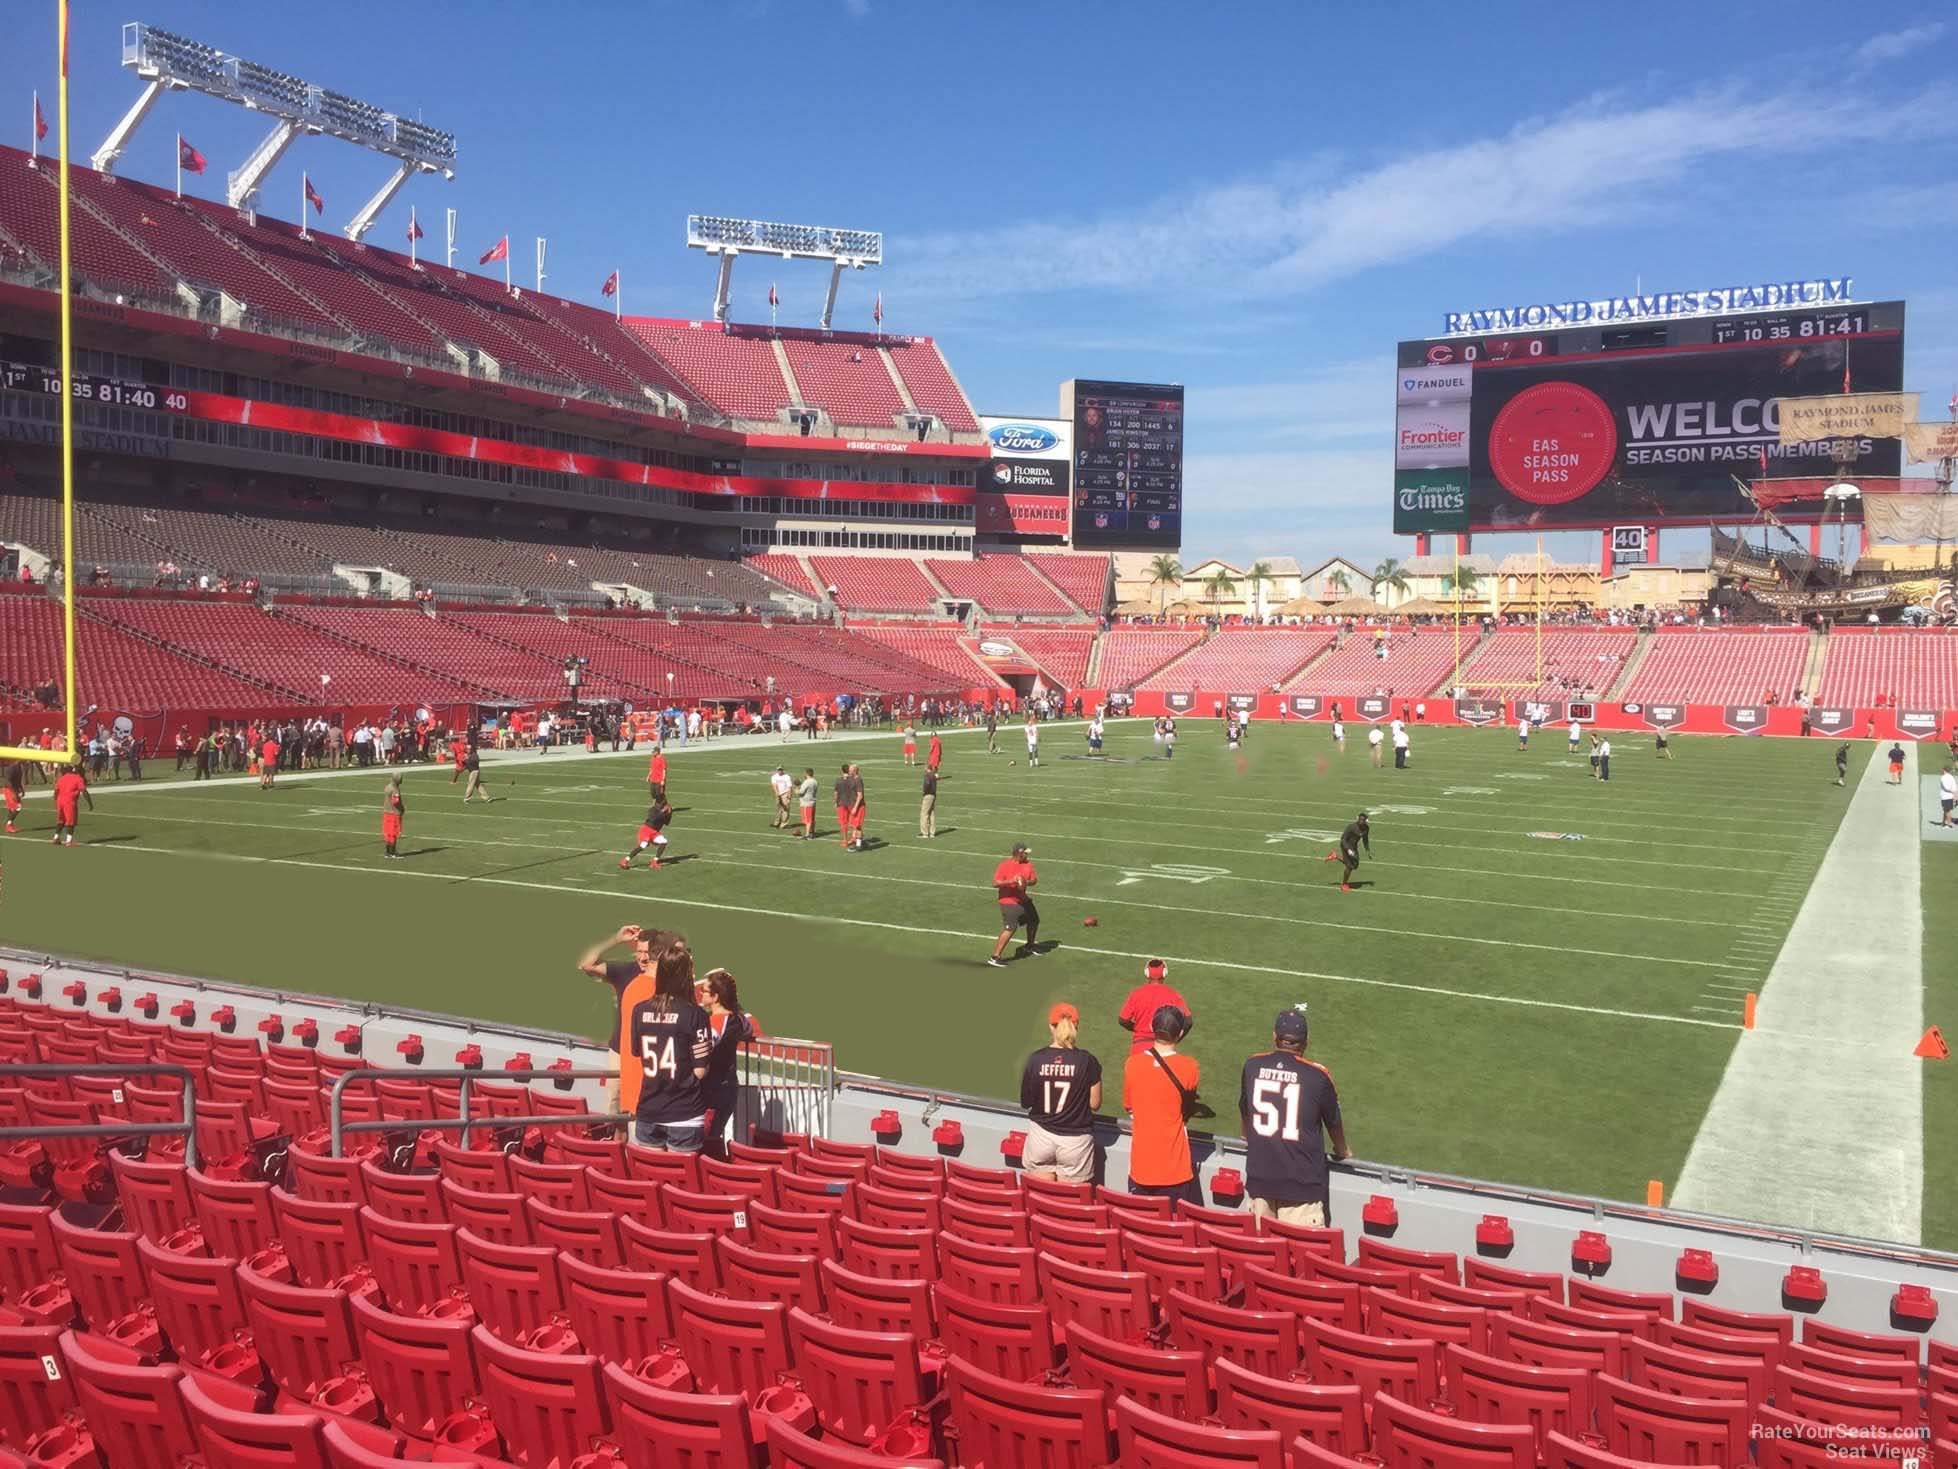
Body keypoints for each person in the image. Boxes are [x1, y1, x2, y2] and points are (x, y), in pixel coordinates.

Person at [1239, 1007, 1351, 1226]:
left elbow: (1245, 1108)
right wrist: (1342, 1149)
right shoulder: (1317, 1076)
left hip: (1259, 1180)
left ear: (1274, 1037)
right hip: (1302, 1186)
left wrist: (1245, 1135)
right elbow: (1333, 1121)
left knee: (1260, 1254)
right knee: (1302, 1257)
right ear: (1305, 1041)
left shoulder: (1253, 1065)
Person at [618, 938, 711, 1151]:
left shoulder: (640, 1010)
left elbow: (636, 1052)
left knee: (653, 1178)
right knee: (679, 1181)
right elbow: (700, 1071)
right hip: (684, 1112)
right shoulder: (695, 1014)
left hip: (649, 1108)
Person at [1122, 1005, 1201, 1206]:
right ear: (1181, 1033)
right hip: (1175, 1169)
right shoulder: (1189, 1067)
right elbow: (1187, 1107)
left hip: (1141, 1166)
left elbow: (1129, 1107)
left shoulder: (1133, 1063)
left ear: (1151, 1027)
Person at [1020, 1002, 1102, 1183]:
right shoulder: (1087, 1061)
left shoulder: (1036, 1059)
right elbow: (1094, 1104)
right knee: (1068, 1205)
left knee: (1042, 1199)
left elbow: (1026, 1101)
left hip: (1041, 1137)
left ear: (1051, 1026)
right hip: (1075, 1142)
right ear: (1077, 1026)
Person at [700, 968, 755, 1156]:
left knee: (707, 1141)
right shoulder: (736, 1018)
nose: (700, 994)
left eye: (704, 991)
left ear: (715, 997)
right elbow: (747, 1030)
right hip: (726, 1087)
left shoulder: (718, 1021)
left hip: (714, 1090)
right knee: (713, 1137)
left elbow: (701, 1050)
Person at [1118, 959, 1189, 1055]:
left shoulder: (1136, 994)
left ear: (1147, 973)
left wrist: (1137, 1028)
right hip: (1164, 1049)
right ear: (1164, 973)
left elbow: (1123, 1020)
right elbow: (1188, 1021)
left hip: (1139, 1049)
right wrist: (1175, 1038)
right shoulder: (1173, 995)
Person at [988, 842, 1039, 967]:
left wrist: (1025, 882)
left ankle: (1029, 945)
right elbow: (995, 883)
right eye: (1025, 853)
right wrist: (1011, 881)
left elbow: (1034, 880)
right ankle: (995, 957)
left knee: (1034, 920)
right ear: (1019, 854)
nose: (1027, 855)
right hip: (1009, 901)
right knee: (1010, 928)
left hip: (1023, 899)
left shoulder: (1028, 864)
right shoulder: (1005, 866)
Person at [619, 799, 673, 869]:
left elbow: (667, 823)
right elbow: (653, 819)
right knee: (643, 845)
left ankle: (654, 861)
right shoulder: (653, 810)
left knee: (664, 841)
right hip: (646, 830)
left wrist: (669, 814)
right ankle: (625, 860)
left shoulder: (663, 812)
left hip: (654, 832)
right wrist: (662, 812)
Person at [1328, 811, 1370, 892]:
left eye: (1363, 820)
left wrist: (1367, 850)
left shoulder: (1366, 828)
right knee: (1349, 867)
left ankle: (1335, 856)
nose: (1361, 821)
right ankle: (1344, 884)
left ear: (1365, 821)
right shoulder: (1351, 827)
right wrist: (1348, 849)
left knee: (1355, 865)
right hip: (1346, 845)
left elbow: (1365, 839)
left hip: (1353, 847)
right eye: (1360, 819)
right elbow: (1343, 839)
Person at [50, 765, 92, 847]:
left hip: (60, 801)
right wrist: (90, 803)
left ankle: (56, 837)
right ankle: (69, 841)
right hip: (69, 801)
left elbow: (56, 791)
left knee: (60, 820)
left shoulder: (61, 778)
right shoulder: (78, 778)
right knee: (70, 821)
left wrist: (55, 800)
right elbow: (84, 791)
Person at [380, 774, 405, 859]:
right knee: (393, 833)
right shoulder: (395, 789)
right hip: (393, 812)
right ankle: (393, 852)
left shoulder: (388, 786)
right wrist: (401, 808)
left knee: (388, 833)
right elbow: (396, 801)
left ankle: (387, 852)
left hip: (386, 812)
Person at [796, 767, 818, 839]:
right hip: (812, 802)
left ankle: (807, 835)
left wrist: (796, 789)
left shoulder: (807, 782)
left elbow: (801, 792)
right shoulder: (815, 781)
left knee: (807, 820)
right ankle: (812, 833)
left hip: (806, 803)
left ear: (807, 774)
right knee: (812, 819)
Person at [3, 759, 23, 834]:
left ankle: (10, 825)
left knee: (12, 808)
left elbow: (18, 780)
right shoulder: (12, 768)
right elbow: (8, 781)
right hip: (9, 789)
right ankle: (8, 824)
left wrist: (21, 789)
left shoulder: (19, 767)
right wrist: (14, 792)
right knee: (18, 807)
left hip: (14, 789)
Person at [919, 765, 939, 839]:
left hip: (928, 795)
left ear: (927, 769)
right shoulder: (933, 775)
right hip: (933, 795)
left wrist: (924, 792)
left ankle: (925, 833)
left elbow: (927, 784)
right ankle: (932, 833)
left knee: (924, 814)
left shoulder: (927, 776)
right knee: (932, 814)